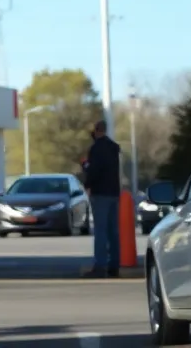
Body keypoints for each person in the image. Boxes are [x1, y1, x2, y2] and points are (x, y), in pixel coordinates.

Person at [83, 119, 122, 278]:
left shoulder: (96, 149)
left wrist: (87, 182)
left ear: (96, 131)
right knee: (113, 231)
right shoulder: (113, 148)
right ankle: (114, 265)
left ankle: (100, 265)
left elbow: (94, 171)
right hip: (114, 192)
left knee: (100, 230)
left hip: (100, 193)